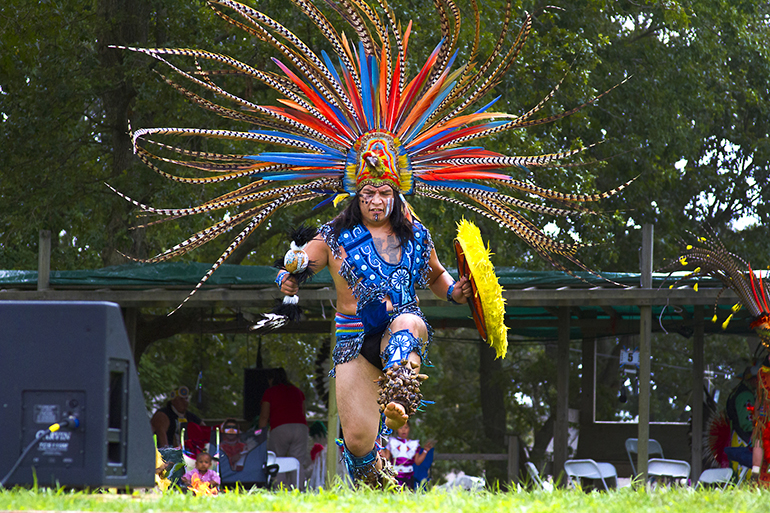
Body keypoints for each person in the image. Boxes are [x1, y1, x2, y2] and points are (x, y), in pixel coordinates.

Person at [277, 166, 472, 486]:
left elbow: (436, 274)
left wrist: (454, 291)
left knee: (407, 325)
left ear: (396, 196)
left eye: (384, 193)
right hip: (353, 337)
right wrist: (286, 280)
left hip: (401, 324)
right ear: (356, 196)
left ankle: (398, 397)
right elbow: (295, 266)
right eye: (368, 193)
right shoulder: (332, 234)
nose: (376, 201)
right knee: (357, 443)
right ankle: (384, 493)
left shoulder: (416, 234)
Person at [258, 368, 310, 489]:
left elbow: (264, 416)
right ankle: (299, 489)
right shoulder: (298, 391)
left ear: (271, 379)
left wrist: (260, 435)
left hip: (280, 427)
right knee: (298, 462)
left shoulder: (270, 392)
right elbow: (303, 412)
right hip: (300, 428)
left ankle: (280, 489)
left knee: (276, 459)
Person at [381, 421, 434, 489]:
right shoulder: (392, 442)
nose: (403, 430)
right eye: (401, 427)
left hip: (408, 476)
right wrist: (378, 446)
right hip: (394, 475)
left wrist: (425, 451)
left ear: (409, 429)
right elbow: (386, 457)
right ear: (397, 429)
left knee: (407, 495)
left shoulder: (414, 444)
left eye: (406, 427)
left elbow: (417, 462)